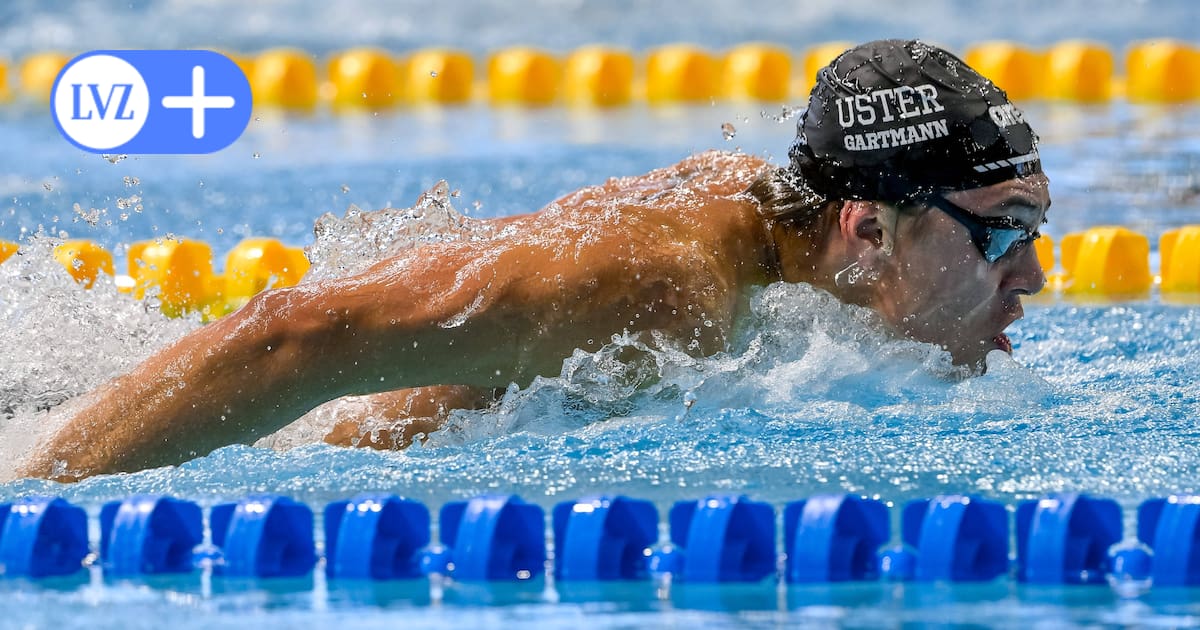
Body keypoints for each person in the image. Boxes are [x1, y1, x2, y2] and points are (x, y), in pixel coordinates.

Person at [21, 39, 1049, 481]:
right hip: (288, 447)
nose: (1032, 276)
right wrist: (36, 498)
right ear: (869, 228)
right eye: (1002, 233)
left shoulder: (774, 238)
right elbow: (290, 332)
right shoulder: (662, 293)